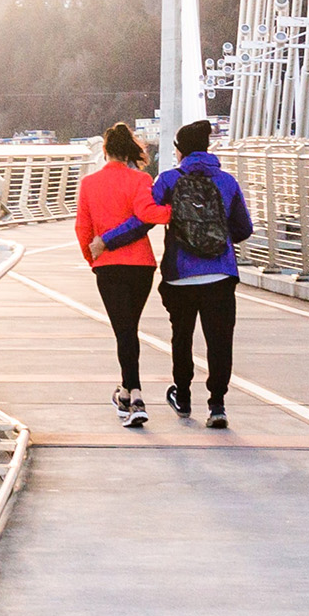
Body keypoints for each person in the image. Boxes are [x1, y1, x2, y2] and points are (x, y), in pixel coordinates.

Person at [149, 119, 253, 428]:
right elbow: (244, 228)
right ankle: (217, 405)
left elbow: (147, 214)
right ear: (208, 149)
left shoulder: (167, 180)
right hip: (220, 274)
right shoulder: (227, 181)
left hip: (180, 274)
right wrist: (216, 237)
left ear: (180, 151)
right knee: (219, 341)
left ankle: (183, 398)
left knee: (182, 338)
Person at [74, 121, 166, 428]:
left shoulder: (89, 184)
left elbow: (83, 229)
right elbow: (146, 216)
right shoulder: (141, 180)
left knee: (124, 331)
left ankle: (136, 396)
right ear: (129, 151)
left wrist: (93, 259)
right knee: (128, 329)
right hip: (142, 266)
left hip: (109, 267)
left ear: (104, 150)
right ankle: (124, 392)